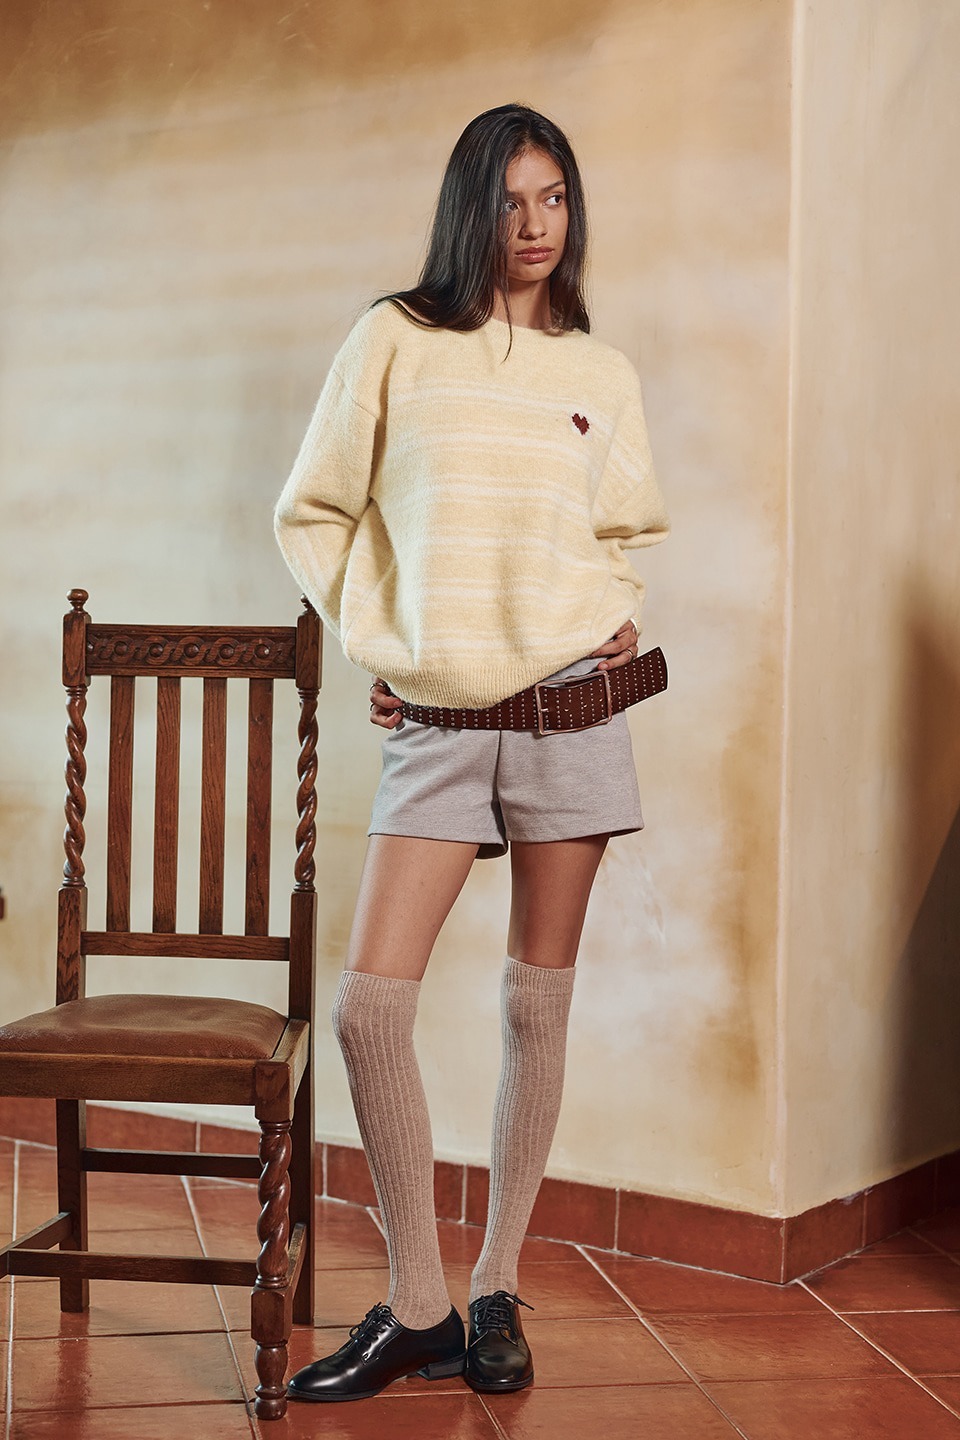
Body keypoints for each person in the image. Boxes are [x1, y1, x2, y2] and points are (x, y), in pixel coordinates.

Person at [273, 102, 669, 1404]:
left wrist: (614, 613)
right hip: (441, 720)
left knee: (533, 1004)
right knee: (368, 1009)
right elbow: (314, 513)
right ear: (469, 208)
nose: (535, 224)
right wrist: (378, 642)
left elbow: (620, 534)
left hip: (573, 707)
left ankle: (494, 1284)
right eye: (509, 200)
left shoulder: (600, 373)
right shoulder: (394, 341)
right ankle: (420, 1305)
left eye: (554, 197)